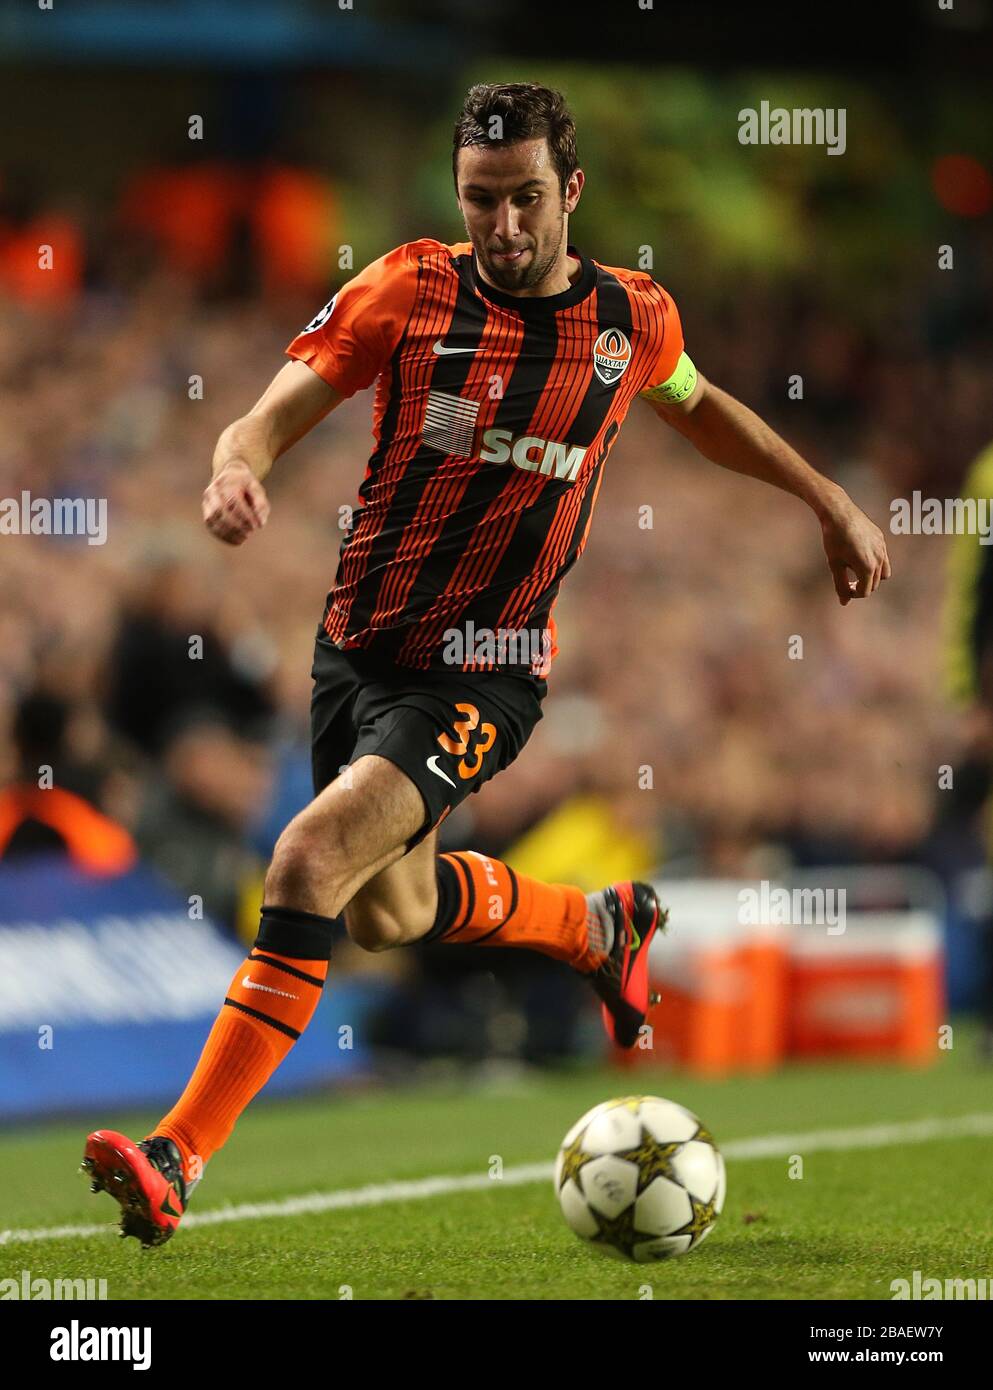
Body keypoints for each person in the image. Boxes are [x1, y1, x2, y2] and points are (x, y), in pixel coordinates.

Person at [82, 82, 891, 1245]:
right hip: (356, 651)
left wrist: (826, 500)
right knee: (388, 916)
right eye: (480, 202)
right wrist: (235, 464)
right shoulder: (409, 290)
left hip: (487, 670)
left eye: (523, 201)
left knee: (307, 858)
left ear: (571, 192)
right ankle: (594, 929)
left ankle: (178, 1153)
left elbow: (700, 406)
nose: (502, 228)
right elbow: (270, 409)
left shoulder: (628, 322)